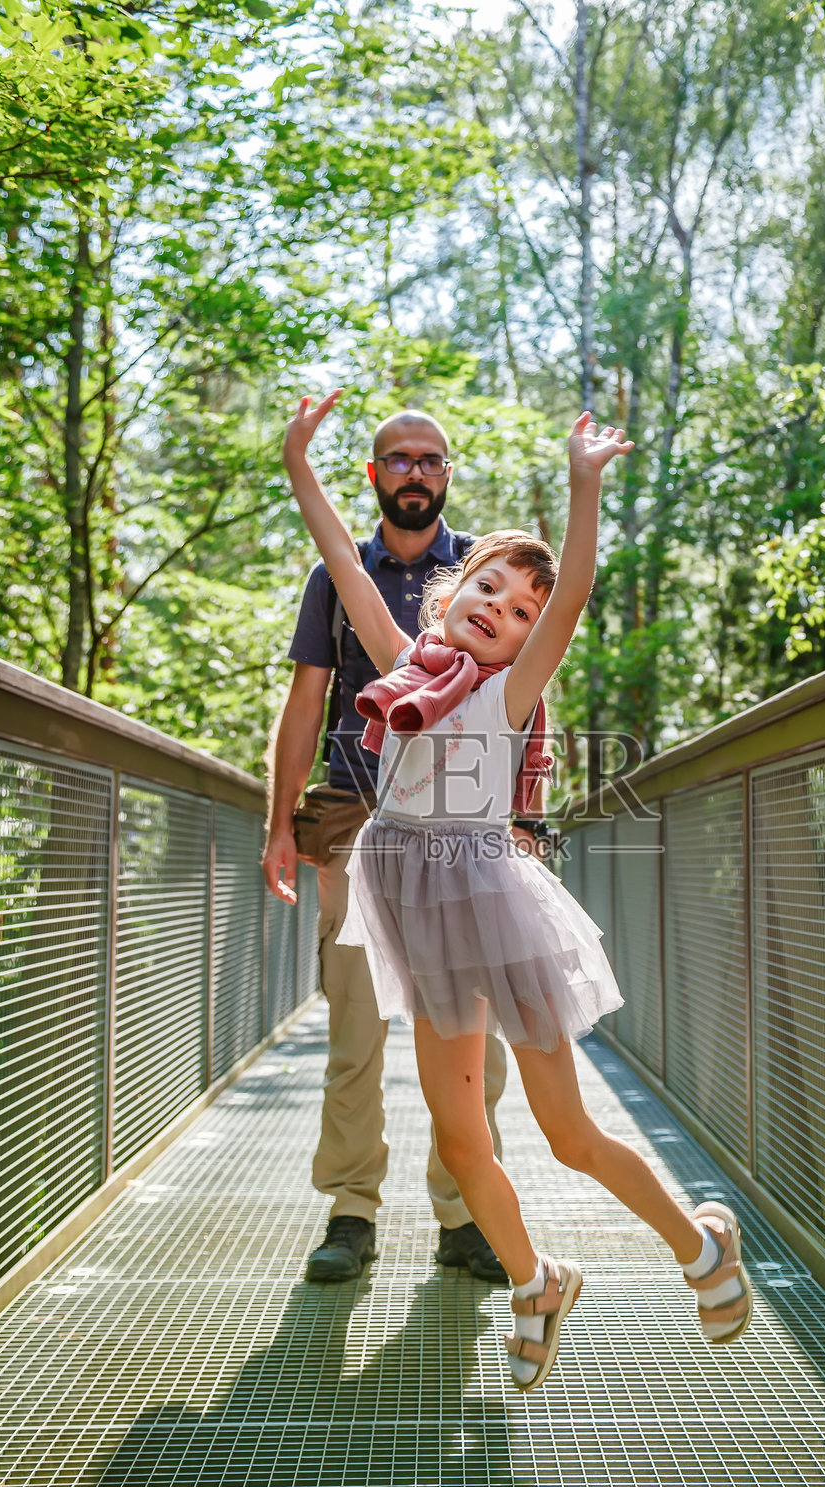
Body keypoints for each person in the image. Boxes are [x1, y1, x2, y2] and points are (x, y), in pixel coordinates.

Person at [282, 390, 754, 1393]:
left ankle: (698, 1243)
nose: (501, 607)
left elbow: (573, 590)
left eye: (520, 610)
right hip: (415, 908)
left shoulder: (506, 691)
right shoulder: (406, 663)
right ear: (451, 591)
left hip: (491, 908)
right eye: (488, 587)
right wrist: (298, 461)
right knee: (459, 1135)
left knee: (566, 1132)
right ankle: (537, 1280)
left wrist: (582, 485)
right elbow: (337, 558)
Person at [264, 407, 528, 1286]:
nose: (415, 473)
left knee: (472, 1038)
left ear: (446, 475)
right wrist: (278, 822)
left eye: (431, 460)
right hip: (353, 813)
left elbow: (530, 704)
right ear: (374, 474)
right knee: (354, 1019)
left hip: (461, 832)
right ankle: (351, 1210)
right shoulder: (335, 578)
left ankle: (464, 1215)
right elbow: (307, 704)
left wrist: (522, 822)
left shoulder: (481, 575)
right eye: (398, 460)